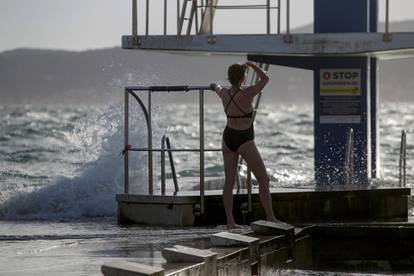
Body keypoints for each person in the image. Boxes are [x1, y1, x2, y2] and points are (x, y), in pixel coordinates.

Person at [211, 61, 278, 229]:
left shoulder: (224, 93)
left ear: (229, 78)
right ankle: (270, 217)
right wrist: (252, 65)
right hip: (244, 140)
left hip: (228, 138)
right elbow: (265, 78)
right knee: (263, 180)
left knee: (229, 182)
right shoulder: (248, 93)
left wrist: (213, 85)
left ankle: (230, 221)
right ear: (243, 78)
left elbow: (215, 86)